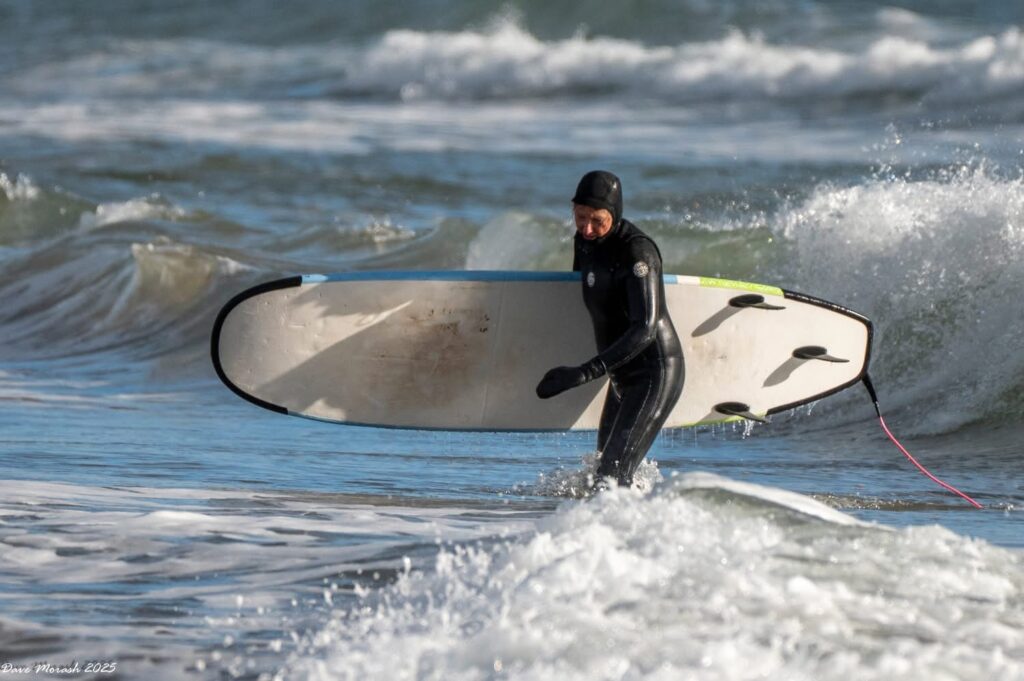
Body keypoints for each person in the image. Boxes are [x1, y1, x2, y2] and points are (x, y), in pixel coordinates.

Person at [536, 170, 684, 488]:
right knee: (603, 472)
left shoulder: (637, 252)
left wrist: (587, 372)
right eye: (580, 217)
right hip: (620, 375)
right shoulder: (585, 243)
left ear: (614, 215)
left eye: (597, 220)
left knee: (612, 477)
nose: (587, 228)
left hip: (653, 375)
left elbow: (645, 327)